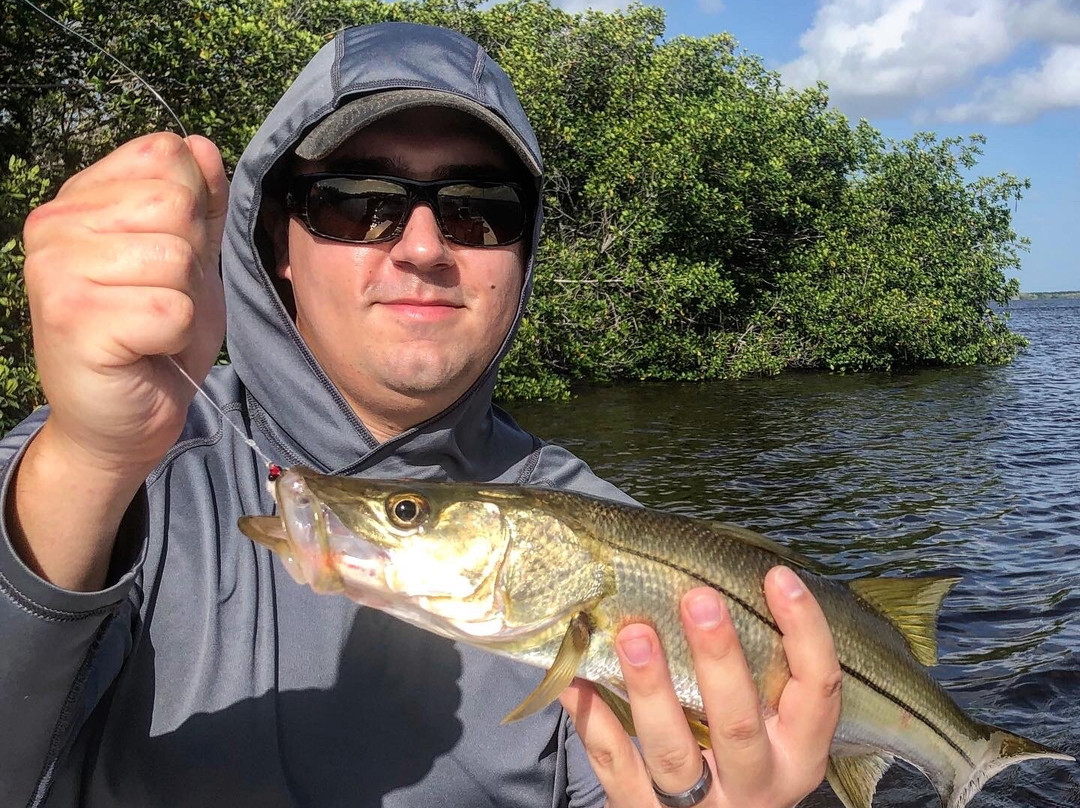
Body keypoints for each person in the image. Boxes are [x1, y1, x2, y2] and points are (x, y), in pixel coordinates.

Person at [0, 21, 842, 808]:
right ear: (275, 245)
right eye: (357, 201)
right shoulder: (109, 459)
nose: (425, 246)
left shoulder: (612, 539)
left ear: (521, 256)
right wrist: (87, 460)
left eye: (482, 210)